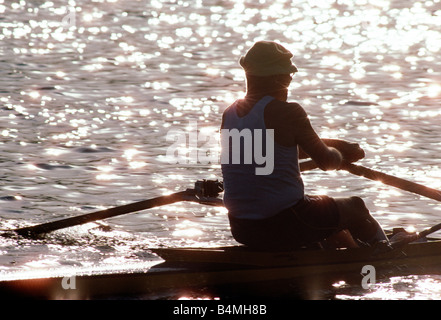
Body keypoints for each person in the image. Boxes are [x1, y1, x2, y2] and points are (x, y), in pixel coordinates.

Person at [220, 40, 388, 251]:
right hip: (287, 223)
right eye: (289, 76)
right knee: (356, 206)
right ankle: (387, 255)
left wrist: (337, 144)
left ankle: (349, 250)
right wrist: (338, 155)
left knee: (325, 211)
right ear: (276, 77)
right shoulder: (288, 111)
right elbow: (327, 162)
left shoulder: (230, 114)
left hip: (242, 228)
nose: (290, 82)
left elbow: (273, 149)